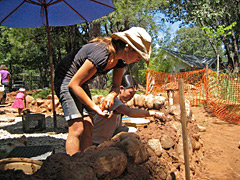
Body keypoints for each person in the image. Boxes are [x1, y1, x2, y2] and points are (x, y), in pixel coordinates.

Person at [54, 27, 152, 155]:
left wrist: (111, 96)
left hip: (81, 83)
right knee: (77, 128)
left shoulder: (120, 62)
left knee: (88, 126)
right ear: (128, 47)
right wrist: (95, 107)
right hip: (66, 80)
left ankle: (86, 160)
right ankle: (73, 166)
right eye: (139, 55)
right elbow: (74, 84)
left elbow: (116, 87)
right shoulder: (101, 53)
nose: (139, 60)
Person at [92, 74, 166, 145]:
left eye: (134, 94)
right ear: (121, 89)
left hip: (108, 137)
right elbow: (130, 112)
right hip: (98, 141)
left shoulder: (120, 103)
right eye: (130, 93)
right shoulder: (113, 101)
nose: (132, 96)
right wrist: (152, 113)